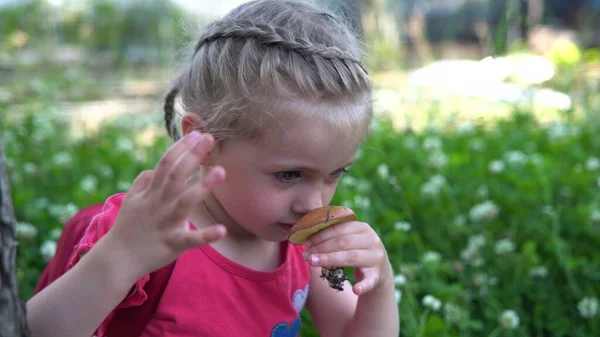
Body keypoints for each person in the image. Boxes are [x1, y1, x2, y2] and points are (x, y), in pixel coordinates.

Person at [26, 0, 400, 336]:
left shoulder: (308, 250)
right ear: (204, 142)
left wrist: (379, 285)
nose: (313, 203)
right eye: (289, 175)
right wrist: (121, 256)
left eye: (336, 173)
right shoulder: (146, 232)